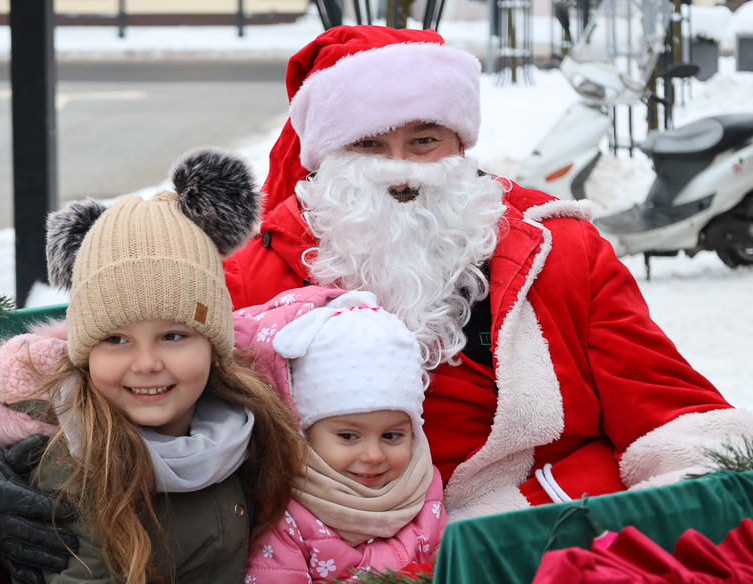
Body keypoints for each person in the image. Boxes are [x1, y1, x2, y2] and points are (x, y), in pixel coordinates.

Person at [221, 24, 753, 519]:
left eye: (424, 141)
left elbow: (668, 409)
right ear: (325, 158)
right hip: (349, 556)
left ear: (460, 144)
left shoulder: (561, 249)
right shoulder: (253, 277)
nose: (400, 172)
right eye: (368, 145)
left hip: (542, 523)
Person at [0, 149, 316, 584]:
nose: (146, 363)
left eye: (174, 335)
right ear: (85, 353)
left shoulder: (243, 426)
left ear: (214, 344)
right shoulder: (69, 466)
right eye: (115, 339)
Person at [230, 287, 448, 584]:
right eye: (348, 436)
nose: (373, 456)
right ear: (304, 433)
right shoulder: (284, 512)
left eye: (392, 435)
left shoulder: (423, 487)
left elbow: (451, 577)